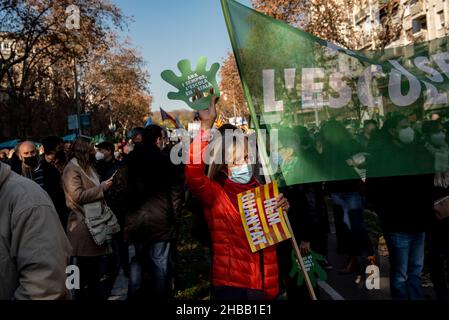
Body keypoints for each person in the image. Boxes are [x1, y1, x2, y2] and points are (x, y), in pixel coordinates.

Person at [185, 90, 290, 300]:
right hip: (233, 288)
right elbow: (193, 174)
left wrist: (282, 210)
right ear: (224, 166)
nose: (243, 165)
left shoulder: (261, 191)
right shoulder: (215, 195)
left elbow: (272, 240)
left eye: (245, 158)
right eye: (236, 161)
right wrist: (206, 127)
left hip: (264, 286)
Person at [367, 114, 434, 300]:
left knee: (415, 271)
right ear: (392, 131)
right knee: (400, 275)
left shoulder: (418, 151)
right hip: (397, 225)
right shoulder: (382, 157)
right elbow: (374, 190)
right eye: (405, 126)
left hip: (418, 222)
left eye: (410, 125)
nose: (410, 130)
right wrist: (386, 214)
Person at [125, 124, 184, 300]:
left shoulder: (131, 159)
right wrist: (175, 217)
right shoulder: (165, 160)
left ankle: (134, 295)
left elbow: (121, 189)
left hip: (136, 220)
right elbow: (176, 193)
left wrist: (126, 213)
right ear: (158, 139)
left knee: (138, 260)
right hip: (161, 220)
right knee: (160, 264)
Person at [0, 162, 72, 300]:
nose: (30, 156)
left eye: (32, 152)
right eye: (26, 153)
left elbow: (44, 286)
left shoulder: (28, 199)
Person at [62, 137, 115, 300]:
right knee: (82, 275)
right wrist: (102, 188)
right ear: (84, 151)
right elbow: (77, 195)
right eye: (92, 149)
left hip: (95, 223)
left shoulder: (89, 167)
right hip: (82, 227)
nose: (95, 152)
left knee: (94, 274)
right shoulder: (71, 169)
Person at [422, 120, 449, 300]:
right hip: (433, 214)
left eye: (442, 131)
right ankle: (441, 293)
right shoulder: (423, 155)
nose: (441, 134)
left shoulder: (446, 151)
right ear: (428, 136)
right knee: (436, 257)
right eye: (437, 132)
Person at [40, 136, 69, 229]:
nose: (63, 150)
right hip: (53, 210)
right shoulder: (41, 168)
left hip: (67, 207)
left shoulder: (64, 161)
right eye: (59, 148)